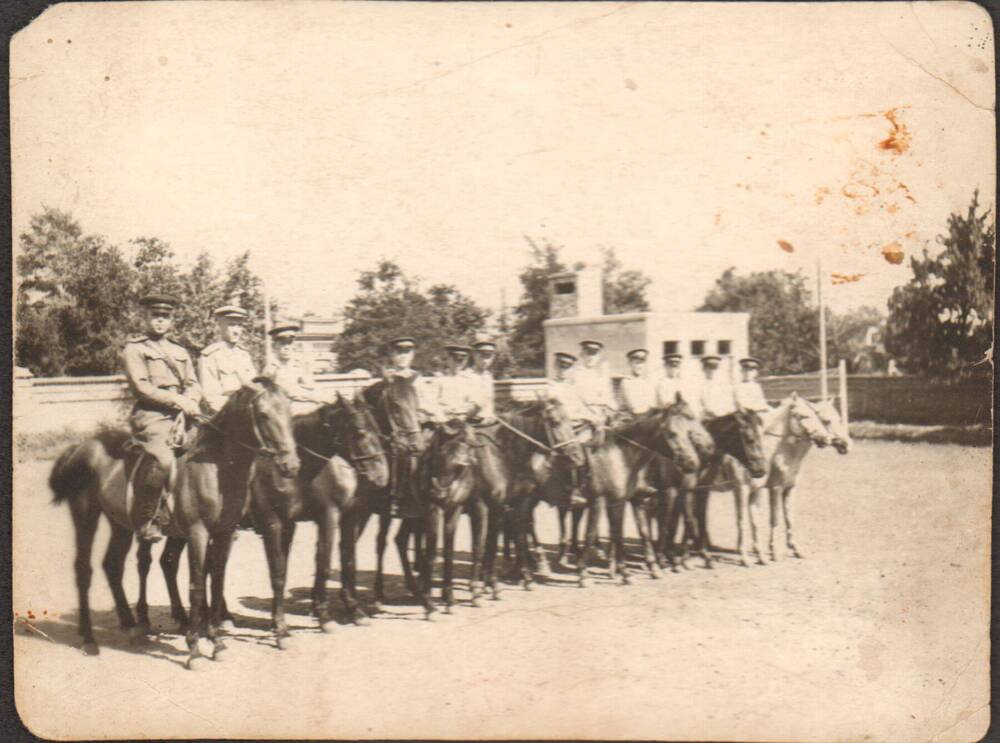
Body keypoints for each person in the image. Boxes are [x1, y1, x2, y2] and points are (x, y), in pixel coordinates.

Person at [121, 293, 203, 542]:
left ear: (171, 320)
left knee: (210, 451)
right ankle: (149, 519)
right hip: (151, 416)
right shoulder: (135, 349)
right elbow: (141, 387)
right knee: (165, 460)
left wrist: (191, 399)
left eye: (165, 316)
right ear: (145, 317)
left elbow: (193, 383)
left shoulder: (179, 350)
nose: (159, 321)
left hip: (182, 414)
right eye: (155, 316)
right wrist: (176, 400)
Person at [198, 304, 257, 415]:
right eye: (232, 325)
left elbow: (254, 388)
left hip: (248, 413)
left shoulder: (245, 355)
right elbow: (211, 397)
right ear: (220, 326)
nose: (237, 331)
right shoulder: (210, 355)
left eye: (239, 326)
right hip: (224, 414)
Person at [263, 321, 320, 414]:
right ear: (274, 346)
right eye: (282, 343)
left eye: (289, 343)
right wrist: (310, 396)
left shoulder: (298, 365)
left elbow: (311, 385)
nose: (286, 347)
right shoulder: (270, 369)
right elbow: (286, 392)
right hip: (282, 412)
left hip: (302, 407)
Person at [568, 339, 616, 427]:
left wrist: (610, 409)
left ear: (599, 357)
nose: (591, 357)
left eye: (594, 354)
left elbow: (608, 396)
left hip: (602, 416)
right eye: (588, 353)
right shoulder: (575, 374)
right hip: (584, 419)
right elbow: (580, 400)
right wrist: (592, 415)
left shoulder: (599, 376)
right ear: (582, 354)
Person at [435, 343, 475, 421]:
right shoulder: (439, 380)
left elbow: (473, 402)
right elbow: (433, 402)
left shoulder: (470, 380)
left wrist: (465, 413)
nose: (458, 364)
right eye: (455, 360)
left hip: (464, 419)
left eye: (461, 361)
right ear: (448, 359)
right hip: (444, 419)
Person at [467, 338, 499, 424]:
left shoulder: (488, 376)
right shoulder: (466, 376)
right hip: (471, 423)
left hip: (489, 421)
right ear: (474, 355)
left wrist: (491, 415)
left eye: (489, 357)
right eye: (482, 356)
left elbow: (490, 402)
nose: (485, 361)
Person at [698, 355, 737, 420]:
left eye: (715, 368)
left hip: (724, 417)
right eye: (709, 368)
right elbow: (698, 405)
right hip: (707, 418)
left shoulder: (725, 385)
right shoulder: (699, 385)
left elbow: (730, 404)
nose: (712, 371)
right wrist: (706, 412)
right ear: (704, 369)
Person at [620, 348, 657, 415]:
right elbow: (634, 408)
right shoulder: (627, 382)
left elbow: (652, 403)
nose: (640, 366)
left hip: (646, 417)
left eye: (642, 363)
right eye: (637, 363)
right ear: (630, 364)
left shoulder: (647, 383)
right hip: (630, 418)